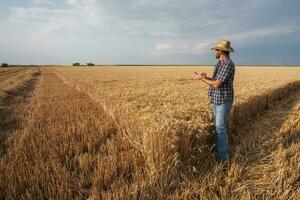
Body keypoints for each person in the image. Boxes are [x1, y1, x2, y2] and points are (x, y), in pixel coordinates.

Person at [196, 39, 235, 161]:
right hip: (215, 99)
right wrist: (206, 77)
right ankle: (217, 150)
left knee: (220, 127)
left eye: (217, 49)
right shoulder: (219, 63)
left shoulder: (228, 64)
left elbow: (217, 84)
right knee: (217, 127)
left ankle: (224, 158)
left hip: (223, 100)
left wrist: (201, 80)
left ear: (222, 51)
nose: (215, 51)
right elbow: (215, 80)